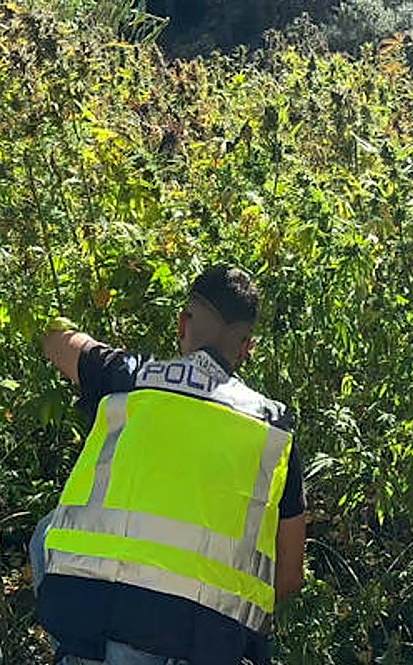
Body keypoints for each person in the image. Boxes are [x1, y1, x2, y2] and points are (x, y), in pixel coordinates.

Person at [30, 265, 306, 665]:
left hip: (95, 621)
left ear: (182, 324)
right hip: (205, 643)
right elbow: (289, 577)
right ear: (247, 346)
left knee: (48, 531)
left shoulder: (130, 378)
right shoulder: (274, 429)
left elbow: (58, 342)